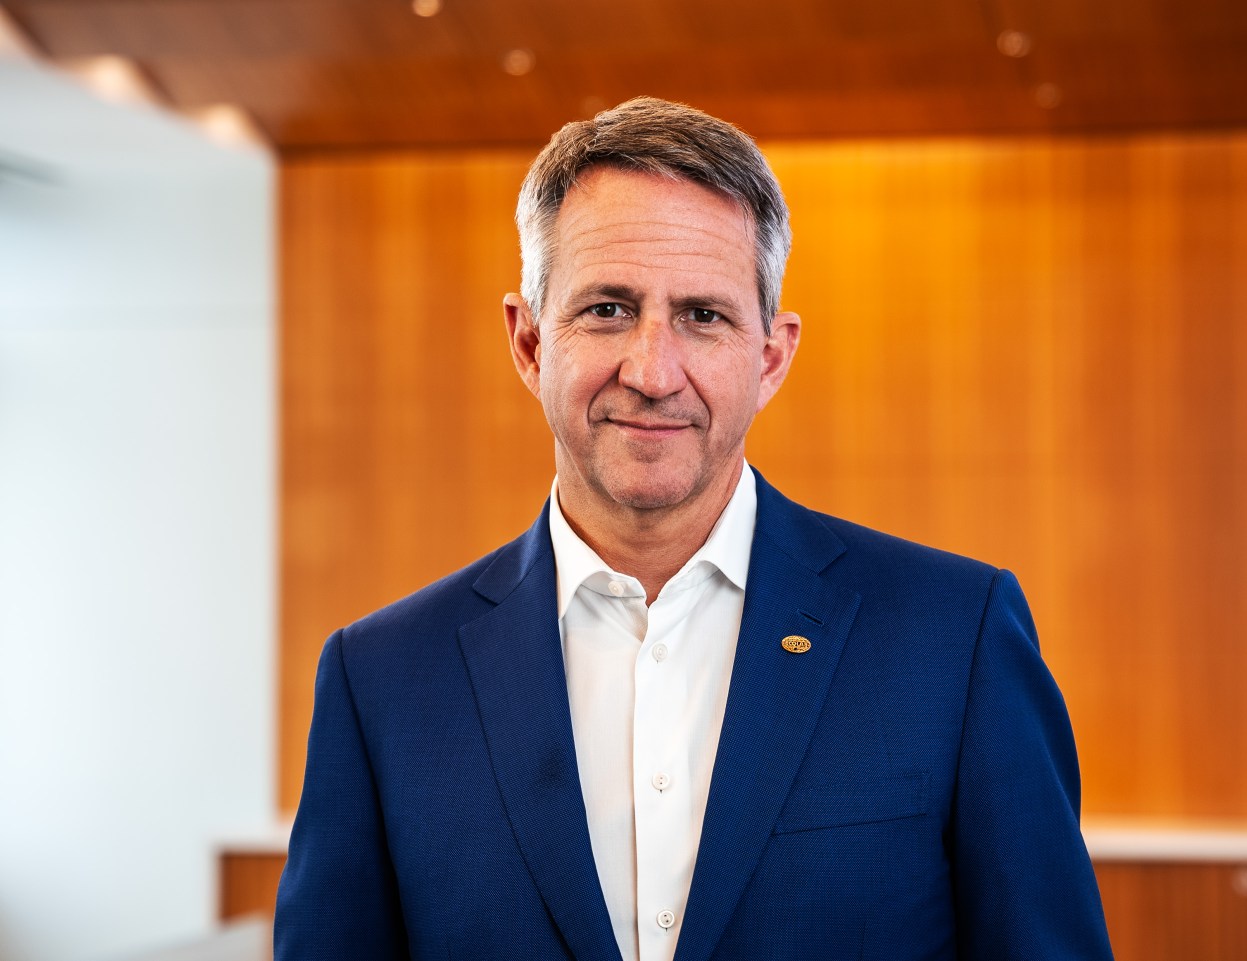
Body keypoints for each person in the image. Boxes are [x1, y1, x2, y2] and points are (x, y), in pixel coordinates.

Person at [274, 96, 1113, 961]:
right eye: (606, 308)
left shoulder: (954, 639)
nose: (651, 370)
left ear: (771, 355)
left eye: (702, 316)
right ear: (528, 342)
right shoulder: (380, 683)